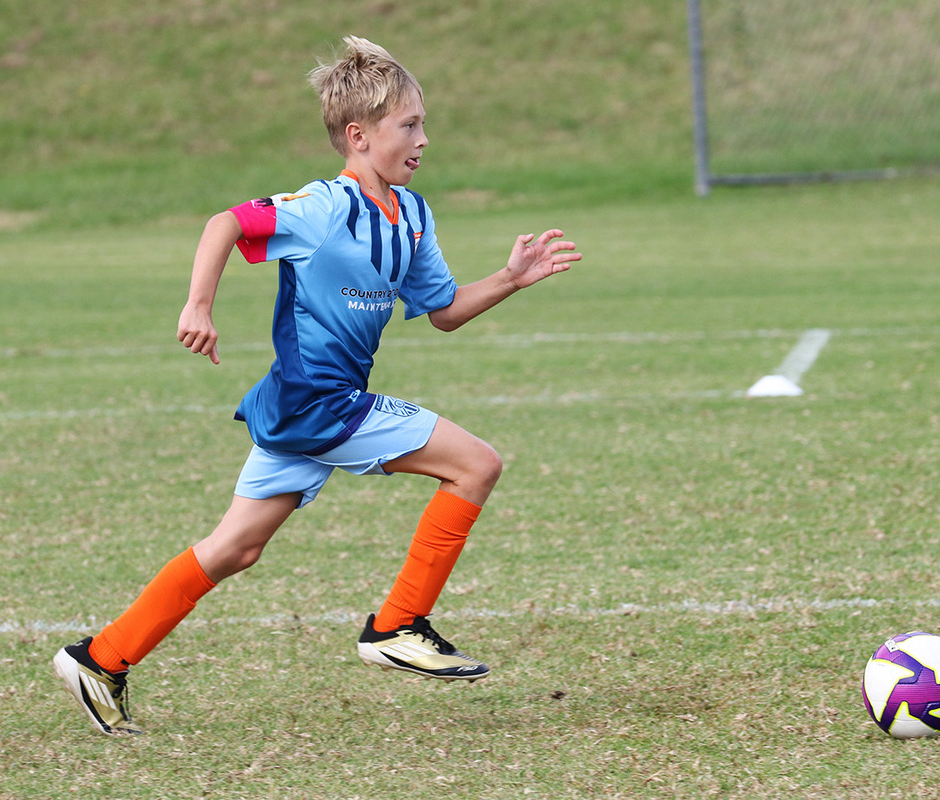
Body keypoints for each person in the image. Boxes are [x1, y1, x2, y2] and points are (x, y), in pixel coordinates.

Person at [53, 35, 581, 736]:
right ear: (358, 136)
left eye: (424, 123)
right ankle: (397, 626)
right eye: (410, 125)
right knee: (476, 463)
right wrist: (198, 305)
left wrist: (510, 279)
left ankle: (100, 656)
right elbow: (226, 223)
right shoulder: (321, 208)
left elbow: (444, 311)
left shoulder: (413, 215)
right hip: (318, 402)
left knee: (235, 547)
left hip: (306, 408)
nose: (425, 139)